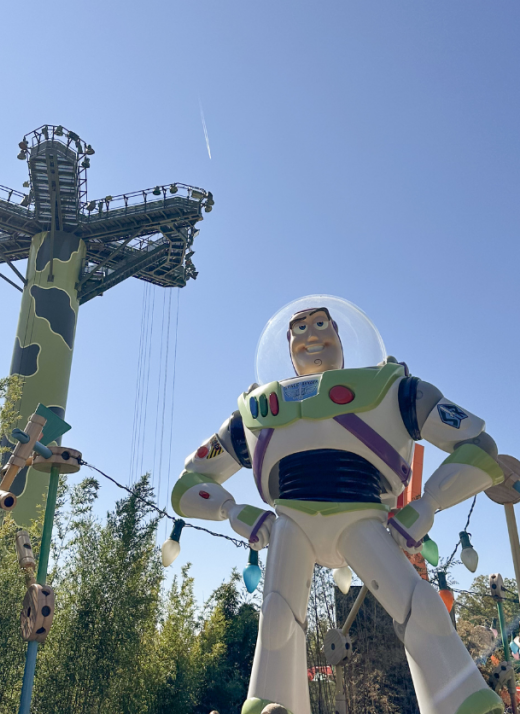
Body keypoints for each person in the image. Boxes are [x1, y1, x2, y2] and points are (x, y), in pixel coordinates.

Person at [170, 303, 508, 714]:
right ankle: (270, 704)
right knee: (277, 620)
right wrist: (233, 511)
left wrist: (429, 503)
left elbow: (479, 447)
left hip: (360, 517)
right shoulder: (254, 413)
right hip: (291, 520)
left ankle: (462, 702)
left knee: (424, 610)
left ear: (339, 336)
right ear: (289, 347)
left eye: (319, 325)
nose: (311, 336)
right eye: (299, 330)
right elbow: (189, 484)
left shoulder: (393, 390)